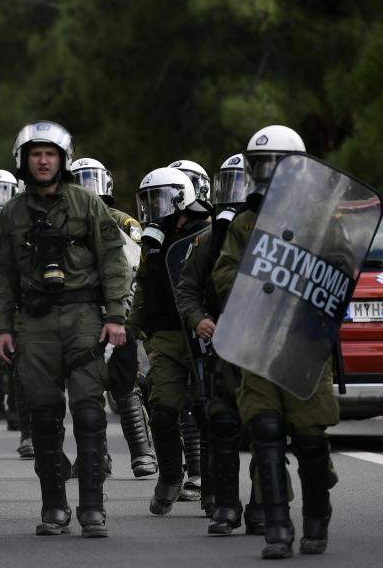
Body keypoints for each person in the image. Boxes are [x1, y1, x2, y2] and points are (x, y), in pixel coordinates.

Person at [0, 121, 131, 537]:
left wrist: (116, 316)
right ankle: (54, 507)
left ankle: (92, 508)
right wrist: (1, 326)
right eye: (36, 154)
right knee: (44, 416)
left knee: (89, 413)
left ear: (63, 159)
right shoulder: (12, 212)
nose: (44, 160)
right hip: (34, 322)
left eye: (50, 153)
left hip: (85, 316)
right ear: (23, 161)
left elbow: (113, 260)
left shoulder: (87, 203)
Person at [212, 125, 337, 559]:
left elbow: (339, 272)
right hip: (257, 340)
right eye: (259, 164)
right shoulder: (245, 221)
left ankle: (318, 519)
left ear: (297, 169)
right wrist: (257, 282)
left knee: (308, 435)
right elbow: (223, 273)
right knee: (265, 429)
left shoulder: (322, 218)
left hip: (303, 343)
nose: (265, 172)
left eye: (274, 163)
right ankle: (277, 530)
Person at [175, 152, 266, 536]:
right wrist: (200, 320)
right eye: (229, 185)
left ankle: (265, 506)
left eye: (242, 184)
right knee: (223, 424)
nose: (235, 196)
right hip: (224, 349)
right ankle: (226, 507)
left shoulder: (281, 234)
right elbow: (186, 290)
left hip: (265, 348)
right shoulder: (208, 241)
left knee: (266, 427)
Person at [126, 167, 213, 515]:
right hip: (164, 337)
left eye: (159, 198)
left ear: (181, 197)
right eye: (148, 199)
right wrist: (131, 327)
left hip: (203, 335)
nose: (153, 206)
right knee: (162, 412)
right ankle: (171, 478)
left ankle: (210, 483)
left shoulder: (208, 231)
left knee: (208, 413)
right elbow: (144, 285)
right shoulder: (153, 238)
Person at [71, 157, 157, 478]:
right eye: (80, 180)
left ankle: (142, 453)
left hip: (120, 310)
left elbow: (133, 264)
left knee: (125, 383)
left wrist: (122, 311)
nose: (87, 188)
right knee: (84, 388)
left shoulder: (124, 222)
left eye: (91, 180)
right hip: (80, 315)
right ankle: (96, 457)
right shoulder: (64, 223)